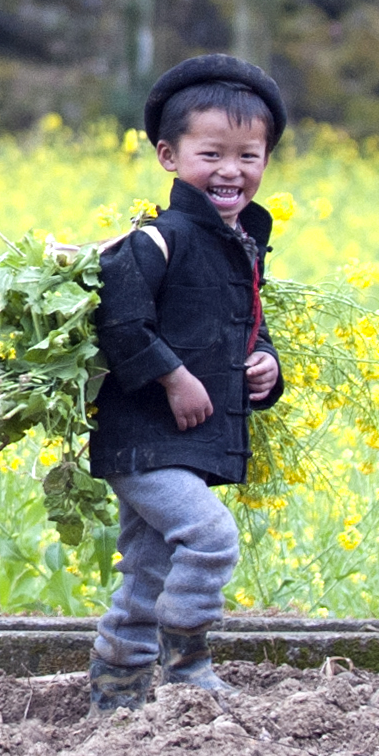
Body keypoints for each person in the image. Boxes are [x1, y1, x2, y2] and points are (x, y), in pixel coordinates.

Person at [86, 53, 287, 713]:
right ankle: (188, 664)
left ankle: (115, 690)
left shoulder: (246, 246)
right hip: (142, 439)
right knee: (208, 538)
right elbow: (119, 323)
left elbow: (242, 328)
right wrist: (172, 377)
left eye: (248, 156)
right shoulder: (154, 241)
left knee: (146, 570)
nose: (230, 171)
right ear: (169, 157)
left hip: (185, 443)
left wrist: (265, 364)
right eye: (211, 154)